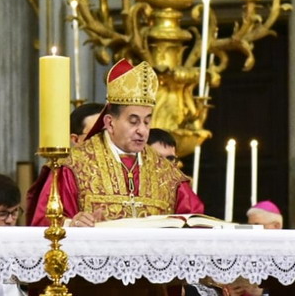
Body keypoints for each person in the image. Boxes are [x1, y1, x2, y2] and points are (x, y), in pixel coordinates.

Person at [29, 60, 203, 226]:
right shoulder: (73, 166)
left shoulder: (166, 173)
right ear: (110, 123)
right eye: (133, 121)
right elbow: (44, 224)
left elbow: (195, 221)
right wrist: (71, 223)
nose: (142, 130)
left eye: (147, 121)